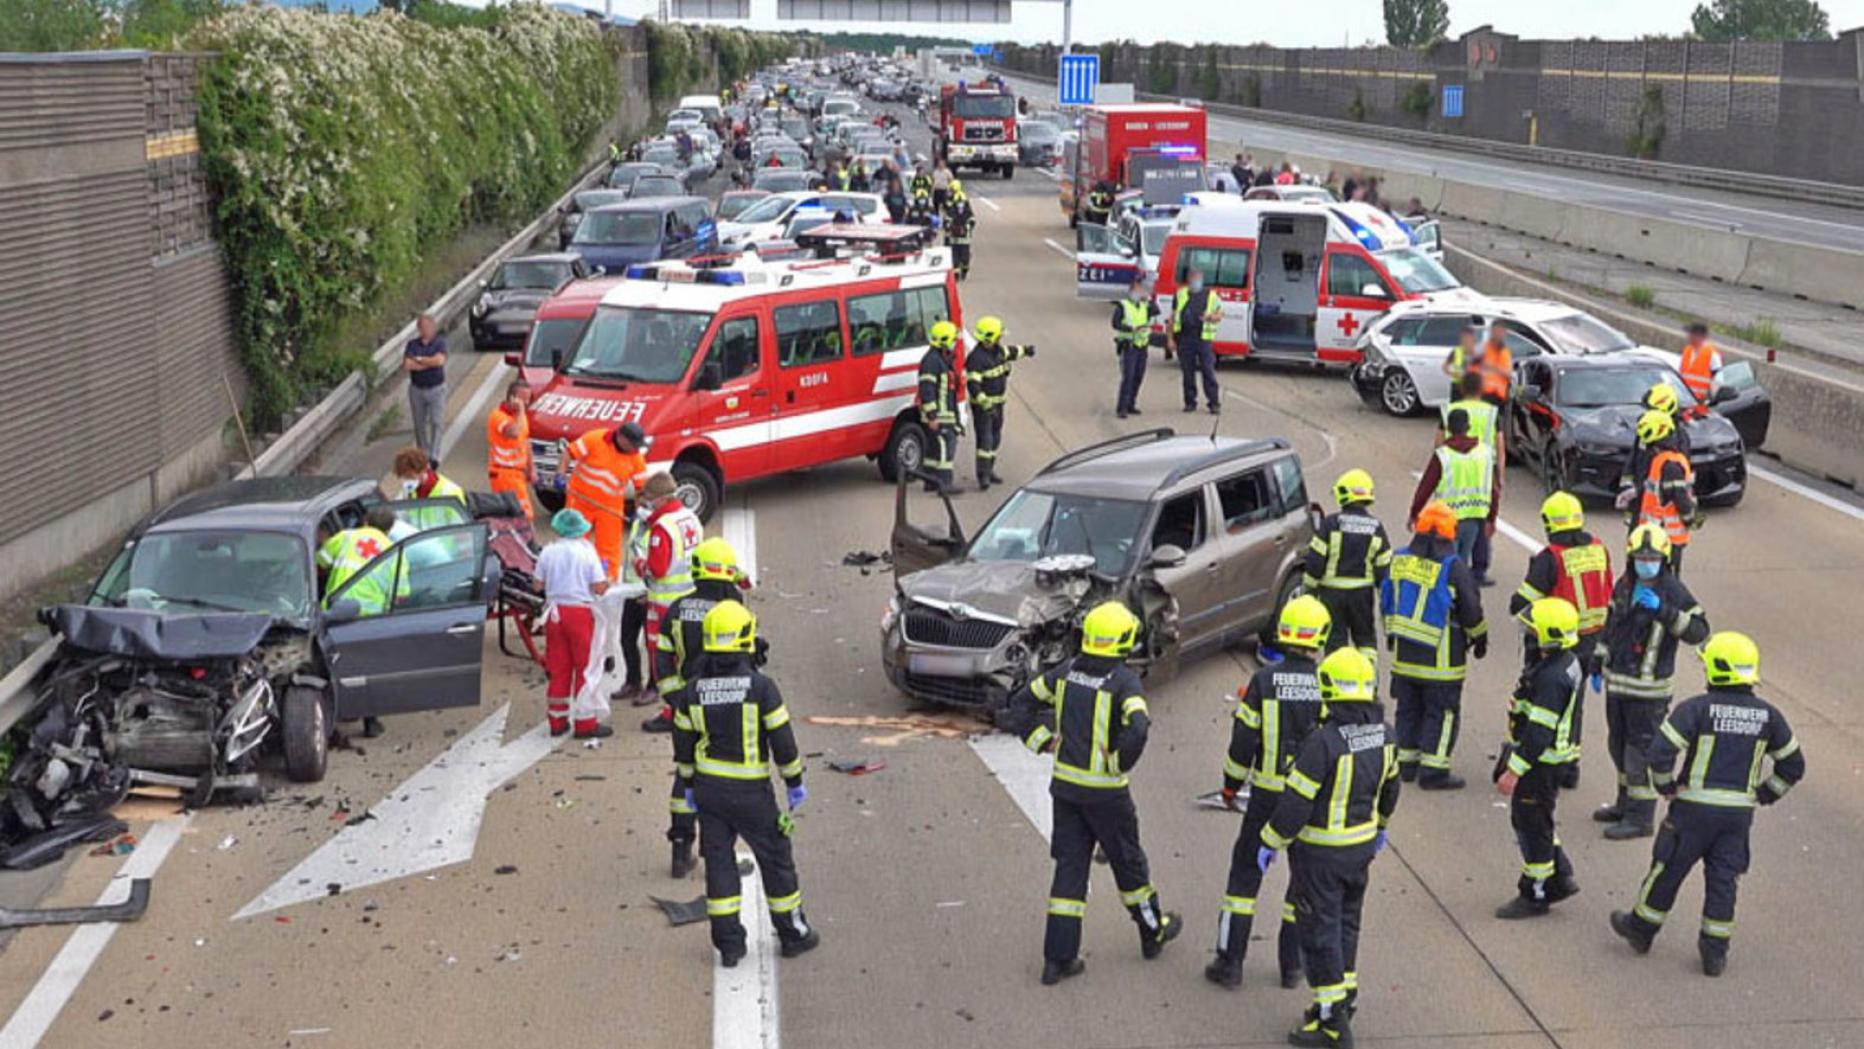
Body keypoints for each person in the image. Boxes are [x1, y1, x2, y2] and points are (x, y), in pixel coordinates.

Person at [1001, 601, 1181, 986]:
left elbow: (1020, 704)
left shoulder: (1067, 672)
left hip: (1066, 791)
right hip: (1107, 796)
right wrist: (1118, 763)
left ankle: (1057, 959)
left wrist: (1042, 741)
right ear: (1122, 641)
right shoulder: (1123, 681)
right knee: (1129, 866)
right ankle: (1153, 931)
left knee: (1070, 870)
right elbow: (1138, 728)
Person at [1609, 631, 1805, 976]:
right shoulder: (1768, 716)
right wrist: (1764, 793)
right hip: (1737, 817)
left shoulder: (1697, 709)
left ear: (1716, 669)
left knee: (1667, 869)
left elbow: (1660, 751)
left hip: (1693, 811)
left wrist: (1666, 785)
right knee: (1723, 881)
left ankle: (1640, 930)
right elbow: (1793, 764)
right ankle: (1714, 952)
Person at [1258, 647, 1400, 1048]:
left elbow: (1294, 805)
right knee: (1347, 926)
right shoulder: (1385, 735)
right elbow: (1392, 789)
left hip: (1320, 856)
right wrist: (1381, 827)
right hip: (1359, 851)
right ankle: (1343, 1000)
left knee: (1319, 934)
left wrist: (1270, 841)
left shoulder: (1322, 743)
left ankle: (1331, 1023)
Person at [670, 601, 819, 966]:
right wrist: (793, 780)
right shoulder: (761, 688)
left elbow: (683, 747)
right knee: (776, 860)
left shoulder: (692, 691)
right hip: (753, 794)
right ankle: (792, 934)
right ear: (745, 639)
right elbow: (782, 741)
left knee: (719, 865)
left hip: (710, 794)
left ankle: (730, 946)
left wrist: (688, 786)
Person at [1207, 596, 1333, 991]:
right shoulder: (1326, 683)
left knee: (1244, 878)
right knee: (1302, 883)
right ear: (1321, 636)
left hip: (1265, 795)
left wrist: (1231, 783)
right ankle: (1291, 967)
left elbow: (1243, 739)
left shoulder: (1263, 681)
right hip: (1307, 802)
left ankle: (1230, 964)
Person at [1592, 524, 1709, 840]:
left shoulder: (1673, 591)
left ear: (1664, 559)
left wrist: (1666, 612)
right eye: (1640, 556)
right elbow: (1612, 625)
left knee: (1638, 753)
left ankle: (1640, 817)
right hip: (1618, 683)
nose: (1646, 561)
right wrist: (1598, 659)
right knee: (1617, 746)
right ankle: (1624, 802)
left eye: (1652, 556)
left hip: (1649, 691)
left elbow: (1699, 631)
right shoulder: (1625, 585)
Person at [657, 537, 753, 878]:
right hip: (725, 706)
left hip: (687, 705)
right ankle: (718, 852)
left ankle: (680, 849)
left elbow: (663, 657)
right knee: (724, 780)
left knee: (686, 773)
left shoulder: (678, 609)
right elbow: (747, 660)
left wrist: (674, 697)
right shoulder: (733, 611)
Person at [1381, 500, 1488, 789]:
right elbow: (1471, 609)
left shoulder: (1399, 559)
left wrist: (1392, 636)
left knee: (1408, 709)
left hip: (1404, 657)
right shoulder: (1453, 568)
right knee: (1442, 713)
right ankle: (1434, 770)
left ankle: (1406, 763)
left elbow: (1387, 601)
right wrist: (1480, 638)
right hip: (1441, 661)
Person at [1510, 491, 1613, 788]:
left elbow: (1522, 602)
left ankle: (1531, 759)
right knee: (1573, 706)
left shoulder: (1550, 557)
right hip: (1593, 639)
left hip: (1556, 641)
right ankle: (1569, 765)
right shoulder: (1599, 549)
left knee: (1540, 701)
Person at [1492, 598, 1584, 920]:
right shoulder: (1561, 662)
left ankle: (1536, 892)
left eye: (1532, 630)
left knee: (1531, 825)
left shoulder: (1552, 679)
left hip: (1540, 763)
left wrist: (1513, 771)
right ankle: (1560, 873)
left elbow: (1539, 735)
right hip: (1546, 760)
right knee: (1539, 819)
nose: (1527, 634)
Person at [636, 471, 704, 734]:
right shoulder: (691, 518)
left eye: (650, 500)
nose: (648, 505)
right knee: (686, 657)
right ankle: (685, 706)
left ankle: (672, 710)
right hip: (690, 597)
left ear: (661, 500)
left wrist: (641, 565)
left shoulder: (662, 528)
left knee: (664, 660)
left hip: (665, 604)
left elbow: (658, 568)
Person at [534, 508, 612, 738]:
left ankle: (557, 721)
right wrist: (607, 582)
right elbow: (598, 587)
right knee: (586, 668)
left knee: (559, 668)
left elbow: (537, 585)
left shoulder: (548, 552)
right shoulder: (587, 552)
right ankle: (585, 723)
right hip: (580, 614)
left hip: (555, 616)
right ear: (581, 530)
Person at [1304, 469, 1393, 661]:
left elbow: (1314, 563)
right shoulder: (1376, 528)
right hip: (1361, 596)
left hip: (1331, 595)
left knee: (1334, 642)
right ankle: (1369, 685)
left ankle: (1338, 681)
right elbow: (1384, 572)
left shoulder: (1330, 524)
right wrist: (1387, 612)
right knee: (1365, 641)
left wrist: (1309, 592)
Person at [1409, 408, 1499, 587]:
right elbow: (1493, 489)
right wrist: (1492, 518)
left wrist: (1415, 513)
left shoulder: (1443, 455)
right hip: (1474, 517)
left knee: (1444, 568)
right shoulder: (1485, 453)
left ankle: (1447, 604)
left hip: (1446, 520)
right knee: (1461, 565)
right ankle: (1462, 601)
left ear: (1449, 428)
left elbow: (1426, 486)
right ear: (1469, 427)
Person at [563, 420, 649, 586]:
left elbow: (641, 489)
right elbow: (568, 453)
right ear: (622, 438)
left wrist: (639, 511)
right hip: (580, 500)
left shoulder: (635, 457)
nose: (637, 449)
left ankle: (607, 581)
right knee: (574, 541)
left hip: (610, 507)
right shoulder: (596, 439)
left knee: (609, 547)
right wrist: (560, 474)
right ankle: (572, 577)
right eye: (634, 444)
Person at [964, 316, 1034, 490]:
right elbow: (973, 385)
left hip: (999, 405)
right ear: (989, 338)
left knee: (995, 438)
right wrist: (985, 404)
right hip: (984, 408)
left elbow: (1011, 352)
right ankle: (983, 476)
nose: (1000, 339)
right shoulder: (976, 359)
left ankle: (990, 469)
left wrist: (1026, 350)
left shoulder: (997, 351)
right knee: (985, 441)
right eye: (998, 336)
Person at [1631, 409, 1698, 576]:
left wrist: (1689, 518)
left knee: (1666, 581)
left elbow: (1679, 497)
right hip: (1659, 534)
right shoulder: (1664, 461)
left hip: (1666, 536)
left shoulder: (1669, 465)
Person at [916, 320, 962, 494]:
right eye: (952, 339)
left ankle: (930, 481)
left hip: (943, 414)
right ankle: (944, 484)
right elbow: (927, 390)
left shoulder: (941, 359)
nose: (954, 342)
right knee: (945, 449)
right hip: (939, 416)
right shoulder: (932, 362)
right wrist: (932, 416)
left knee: (933, 451)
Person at [1170, 267, 1222, 415]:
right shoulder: (1180, 294)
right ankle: (1190, 402)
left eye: (1198, 278)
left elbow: (1219, 315)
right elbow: (1173, 317)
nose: (1195, 281)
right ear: (1188, 279)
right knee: (1188, 373)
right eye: (1193, 278)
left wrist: (1210, 317)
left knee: (1208, 371)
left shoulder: (1210, 295)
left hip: (1203, 339)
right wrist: (1170, 339)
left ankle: (1214, 403)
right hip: (1185, 338)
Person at [486, 380, 535, 520]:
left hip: (517, 473)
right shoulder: (498, 417)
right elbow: (514, 433)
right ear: (511, 398)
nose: (526, 404)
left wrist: (531, 468)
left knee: (519, 515)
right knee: (523, 514)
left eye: (528, 400)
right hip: (504, 473)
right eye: (523, 400)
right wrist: (520, 412)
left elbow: (525, 442)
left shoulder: (521, 416)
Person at [403, 312, 448, 463]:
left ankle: (434, 455)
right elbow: (408, 364)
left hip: (436, 389)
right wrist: (429, 363)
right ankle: (424, 453)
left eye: (428, 326)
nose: (426, 329)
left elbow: (440, 361)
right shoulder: (412, 344)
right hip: (417, 389)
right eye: (423, 327)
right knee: (419, 424)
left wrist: (420, 360)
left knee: (437, 421)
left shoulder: (439, 343)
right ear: (419, 329)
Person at [1112, 277, 1159, 419]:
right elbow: (1115, 323)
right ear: (1131, 291)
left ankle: (1131, 404)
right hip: (1129, 346)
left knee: (1138, 376)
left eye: (1141, 290)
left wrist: (1149, 299)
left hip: (1142, 346)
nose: (1140, 293)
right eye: (1137, 290)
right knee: (1128, 377)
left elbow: (1156, 311)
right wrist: (1130, 328)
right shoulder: (1123, 305)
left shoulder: (1144, 306)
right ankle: (1122, 407)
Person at [390, 445, 468, 531]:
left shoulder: (449, 492)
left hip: (444, 543)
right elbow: (399, 517)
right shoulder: (408, 493)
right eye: (403, 477)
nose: (407, 481)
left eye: (410, 476)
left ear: (423, 470)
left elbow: (461, 530)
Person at [1676, 322, 1723, 405]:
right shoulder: (1687, 350)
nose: (1688, 337)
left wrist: (1711, 398)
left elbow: (1718, 380)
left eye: (1691, 334)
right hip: (1683, 398)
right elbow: (1680, 373)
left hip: (1700, 401)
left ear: (1699, 336)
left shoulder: (1711, 354)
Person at [945, 190, 977, 282]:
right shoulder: (951, 211)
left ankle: (964, 271)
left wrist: (965, 228)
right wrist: (951, 228)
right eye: (958, 202)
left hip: (965, 240)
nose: (960, 204)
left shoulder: (968, 211)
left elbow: (972, 221)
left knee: (964, 258)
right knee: (954, 258)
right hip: (954, 240)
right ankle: (956, 275)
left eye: (961, 202)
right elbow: (947, 222)